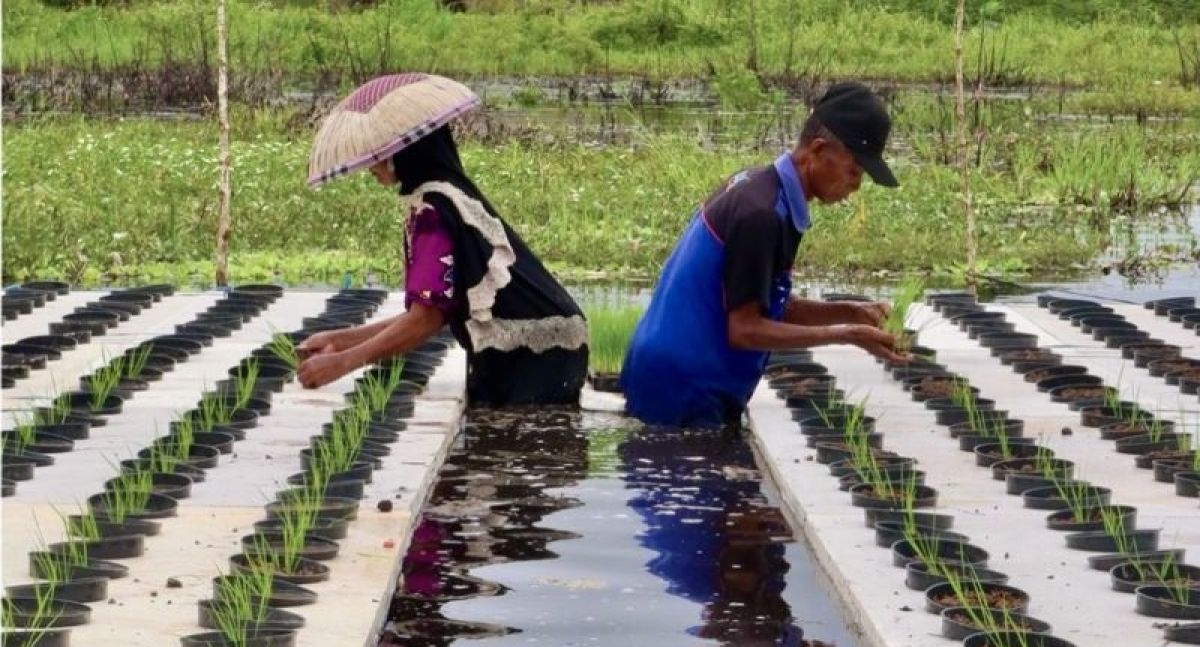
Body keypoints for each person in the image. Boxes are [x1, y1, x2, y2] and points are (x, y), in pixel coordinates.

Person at [620, 82, 909, 427]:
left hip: (677, 374)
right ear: (817, 151)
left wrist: (852, 313)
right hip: (684, 386)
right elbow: (744, 329)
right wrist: (847, 334)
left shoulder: (765, 191)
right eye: (854, 170)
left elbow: (762, 303)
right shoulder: (762, 214)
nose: (856, 185)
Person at [298, 126, 589, 407]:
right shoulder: (443, 194)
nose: (370, 164)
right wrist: (339, 341)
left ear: (404, 150)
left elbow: (425, 320)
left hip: (539, 354)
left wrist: (343, 362)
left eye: (378, 152)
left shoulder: (433, 211)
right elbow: (429, 313)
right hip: (552, 347)